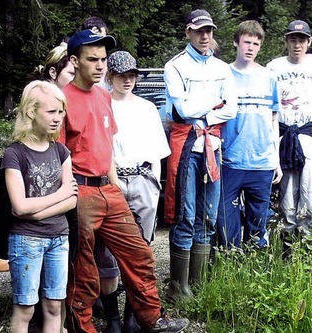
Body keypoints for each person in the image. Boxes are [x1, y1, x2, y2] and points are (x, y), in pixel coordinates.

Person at [59, 29, 188, 333]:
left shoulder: (104, 97)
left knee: (139, 254)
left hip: (109, 187)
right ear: (75, 61)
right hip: (81, 190)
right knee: (84, 268)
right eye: (93, 59)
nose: (100, 65)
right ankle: (83, 327)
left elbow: (108, 146)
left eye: (103, 59)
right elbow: (57, 155)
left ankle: (151, 319)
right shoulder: (62, 99)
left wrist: (114, 183)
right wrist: (69, 198)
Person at [163, 9, 236, 300]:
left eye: (209, 31)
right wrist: (213, 103)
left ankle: (197, 283)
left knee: (207, 214)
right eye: (199, 31)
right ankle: (177, 287)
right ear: (188, 32)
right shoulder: (175, 66)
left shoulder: (222, 68)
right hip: (185, 146)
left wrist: (203, 107)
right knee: (185, 212)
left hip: (212, 146)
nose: (205, 36)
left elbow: (232, 108)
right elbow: (182, 110)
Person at [3, 80, 78, 333]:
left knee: (55, 306)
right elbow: (20, 205)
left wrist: (37, 211)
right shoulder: (15, 153)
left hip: (59, 237)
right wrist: (60, 194)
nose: (57, 118)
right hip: (26, 240)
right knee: (25, 308)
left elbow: (72, 198)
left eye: (60, 112)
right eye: (51, 112)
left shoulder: (61, 151)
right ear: (31, 112)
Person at [106, 50, 170, 331]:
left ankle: (134, 315)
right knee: (107, 252)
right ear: (110, 77)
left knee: (141, 250)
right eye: (121, 75)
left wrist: (153, 186)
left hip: (143, 179)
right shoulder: (102, 104)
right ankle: (112, 318)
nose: (127, 80)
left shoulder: (146, 108)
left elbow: (157, 151)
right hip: (112, 179)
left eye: (132, 75)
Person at [266, 19, 312, 239]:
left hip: (309, 130)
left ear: (309, 42)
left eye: (301, 40)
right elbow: (269, 102)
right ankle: (288, 238)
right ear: (286, 41)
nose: (297, 45)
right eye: (293, 40)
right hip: (284, 131)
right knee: (288, 190)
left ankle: (311, 239)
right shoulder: (274, 66)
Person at [215, 20, 282, 249]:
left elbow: (274, 121)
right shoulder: (222, 74)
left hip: (262, 160)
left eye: (255, 43)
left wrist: (277, 160)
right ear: (236, 43)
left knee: (258, 222)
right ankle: (229, 264)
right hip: (230, 159)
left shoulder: (269, 77)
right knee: (225, 219)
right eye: (246, 42)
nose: (250, 48)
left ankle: (254, 267)